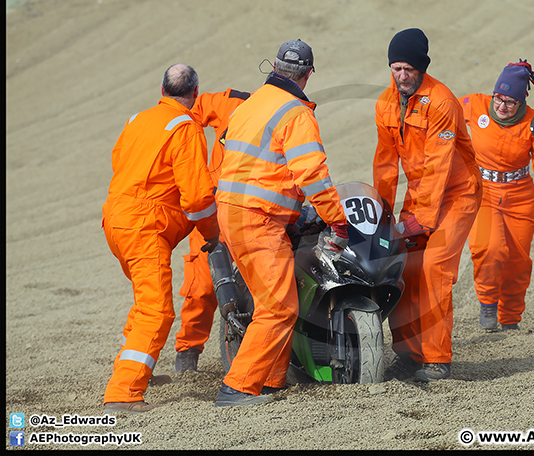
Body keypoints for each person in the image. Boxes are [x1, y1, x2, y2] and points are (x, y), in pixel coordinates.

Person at [214, 39, 349, 406]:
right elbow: (313, 176)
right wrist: (337, 221)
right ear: (308, 75)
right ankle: (239, 387)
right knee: (279, 306)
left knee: (271, 300)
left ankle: (270, 381)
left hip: (231, 211)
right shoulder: (296, 113)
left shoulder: (250, 105)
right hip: (258, 219)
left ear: (273, 68)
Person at [101, 64, 220, 414]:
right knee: (157, 310)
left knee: (144, 300)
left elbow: (119, 162)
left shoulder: (137, 119)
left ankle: (137, 368)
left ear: (162, 89)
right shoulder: (185, 128)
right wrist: (211, 234)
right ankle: (123, 393)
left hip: (116, 220)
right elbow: (198, 199)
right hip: (144, 228)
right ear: (195, 93)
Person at [374, 28, 483, 382]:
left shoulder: (442, 101)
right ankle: (407, 356)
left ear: (422, 67)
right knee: (401, 268)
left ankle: (436, 359)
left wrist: (421, 219)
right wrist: (381, 217)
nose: (401, 76)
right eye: (396, 68)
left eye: (408, 69)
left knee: (434, 268)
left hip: (457, 194)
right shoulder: (385, 103)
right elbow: (385, 163)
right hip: (421, 193)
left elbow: (439, 166)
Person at [459, 59, 534, 331]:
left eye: (510, 102)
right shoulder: (475, 104)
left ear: (521, 102)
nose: (501, 106)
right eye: (498, 98)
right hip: (482, 191)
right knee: (489, 247)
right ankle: (487, 304)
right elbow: (442, 112)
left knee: (518, 262)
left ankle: (510, 318)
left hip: (519, 196)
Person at [173, 88, 252, 373]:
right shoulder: (233, 102)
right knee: (203, 286)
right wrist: (189, 156)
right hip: (214, 211)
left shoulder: (291, 119)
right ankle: (188, 351)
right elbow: (186, 113)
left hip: (257, 214)